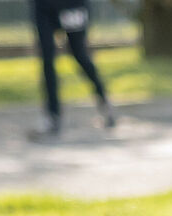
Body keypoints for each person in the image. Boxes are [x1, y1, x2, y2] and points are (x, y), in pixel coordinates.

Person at [28, 0, 115, 142]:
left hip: (71, 4)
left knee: (79, 54)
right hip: (43, 6)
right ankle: (52, 116)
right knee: (47, 58)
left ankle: (103, 100)